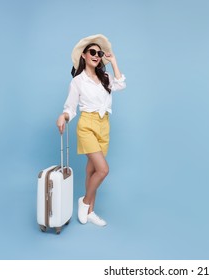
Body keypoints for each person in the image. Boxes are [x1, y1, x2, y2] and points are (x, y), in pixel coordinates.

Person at [56, 34, 126, 227]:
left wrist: (113, 62)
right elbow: (70, 107)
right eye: (92, 52)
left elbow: (121, 84)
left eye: (99, 53)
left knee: (92, 169)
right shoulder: (77, 81)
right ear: (84, 56)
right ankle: (85, 202)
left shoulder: (105, 77)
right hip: (87, 125)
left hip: (104, 124)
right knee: (103, 170)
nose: (96, 55)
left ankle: (91, 211)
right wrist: (64, 116)